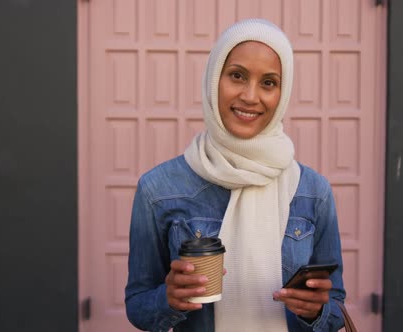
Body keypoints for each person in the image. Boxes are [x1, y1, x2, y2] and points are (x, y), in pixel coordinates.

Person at [125, 18, 346, 332]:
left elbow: (335, 307)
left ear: (283, 93)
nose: (250, 96)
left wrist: (316, 312)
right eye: (237, 76)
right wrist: (168, 299)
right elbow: (138, 307)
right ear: (214, 78)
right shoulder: (158, 189)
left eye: (268, 82)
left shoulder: (313, 191)